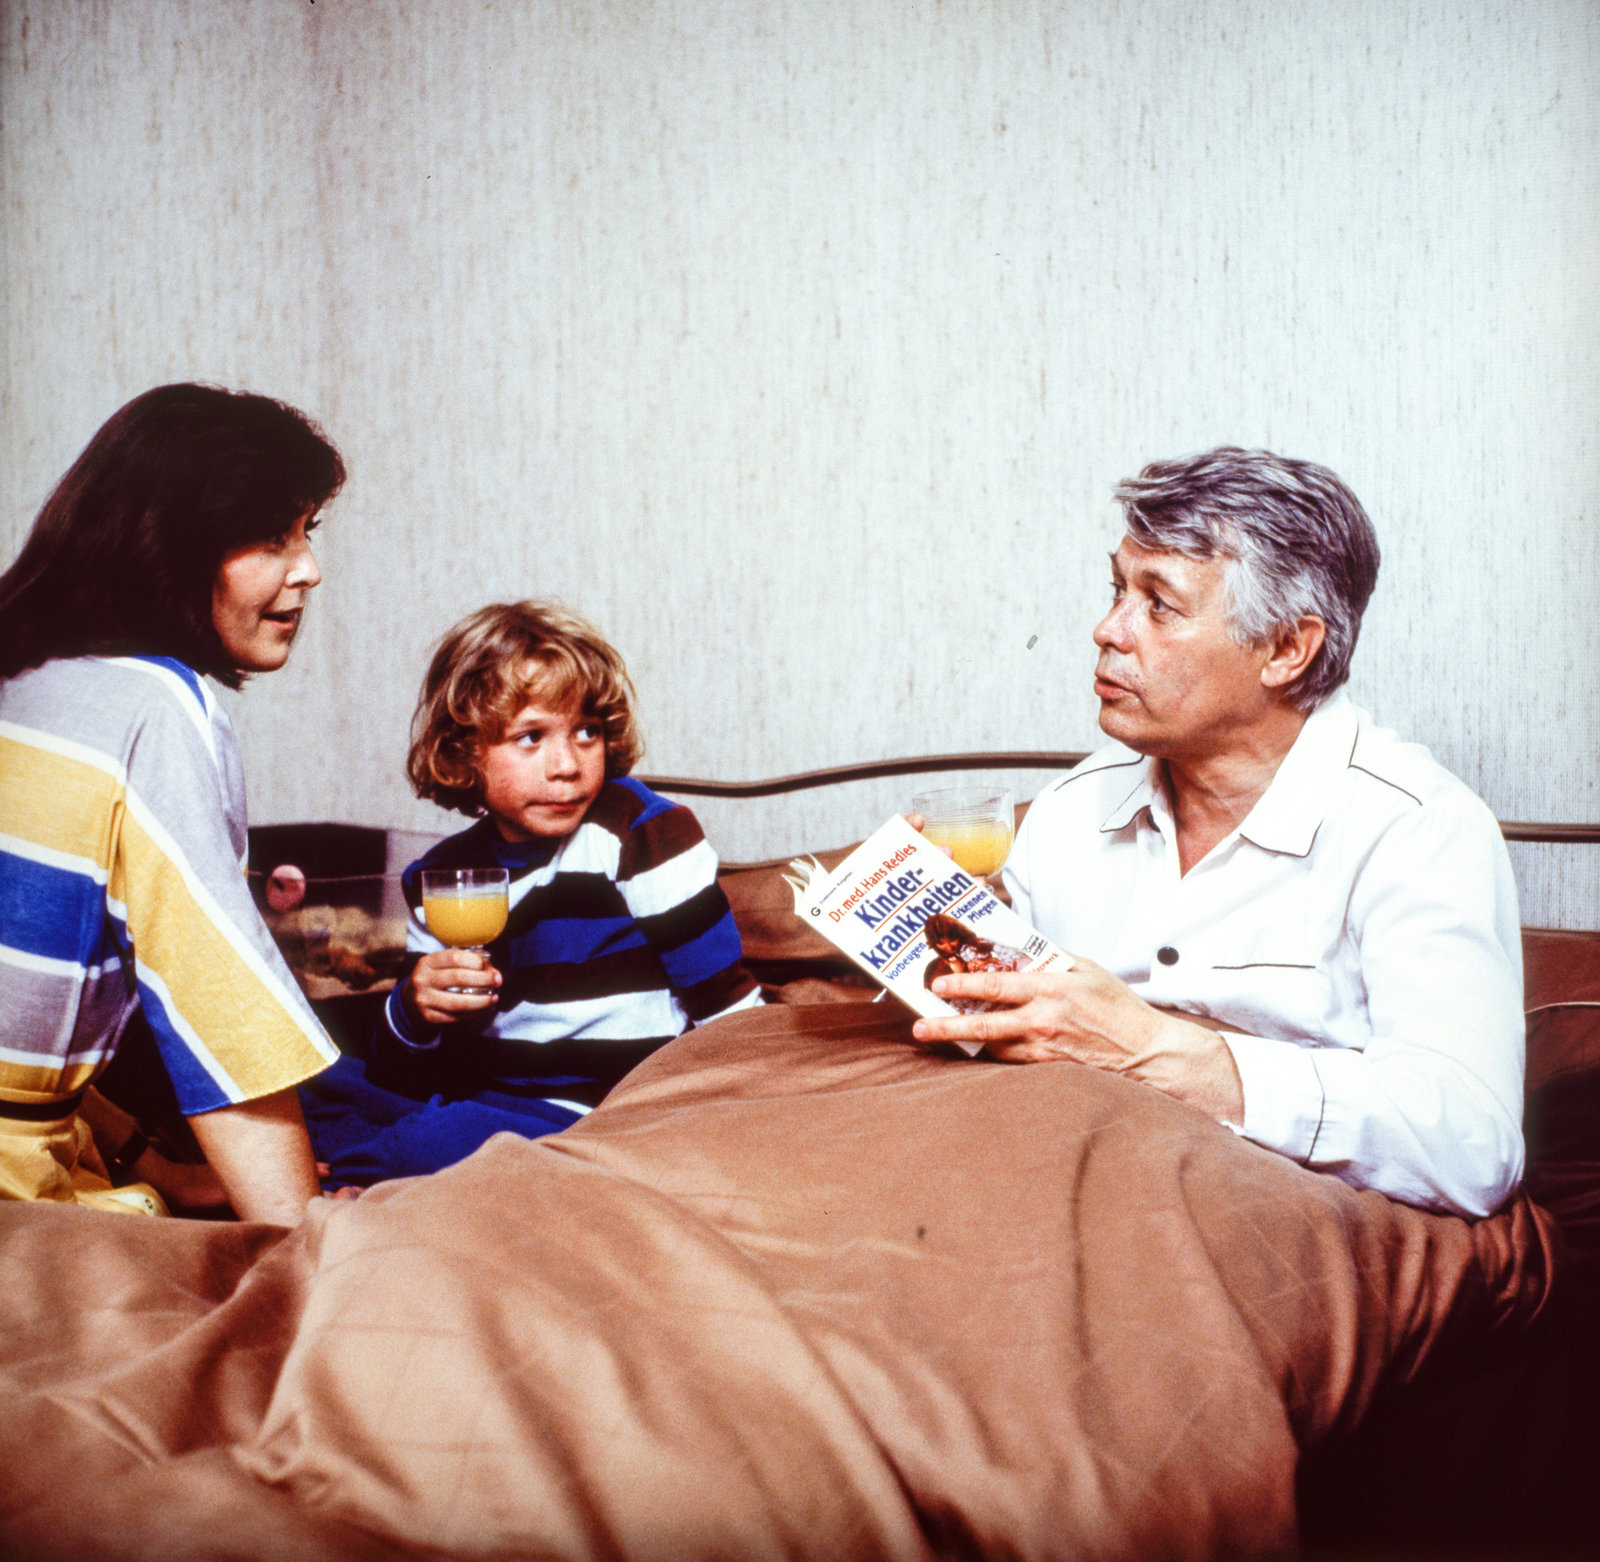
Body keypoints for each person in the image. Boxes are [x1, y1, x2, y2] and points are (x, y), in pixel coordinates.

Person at [912, 447, 1524, 1219]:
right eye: (1118, 589)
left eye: (1159, 605)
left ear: (1286, 649)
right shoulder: (1069, 807)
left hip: (1285, 1221)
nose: (1107, 629)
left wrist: (1159, 1053)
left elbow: (1473, 1145)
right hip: (1060, 1186)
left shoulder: (1418, 829)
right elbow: (1004, 1043)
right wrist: (941, 937)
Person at [0, 382, 348, 1224]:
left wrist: (153, 1163)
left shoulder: (27, 670)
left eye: (308, 530)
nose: (309, 568)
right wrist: (303, 1241)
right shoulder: (155, 705)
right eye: (272, 537)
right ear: (169, 547)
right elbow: (219, 1011)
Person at [300, 601, 761, 1185]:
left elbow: (727, 1008)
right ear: (464, 755)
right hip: (485, 1100)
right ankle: (352, 1155)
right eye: (531, 737)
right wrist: (415, 1009)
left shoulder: (640, 834)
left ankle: (341, 1173)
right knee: (308, 1079)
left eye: (587, 732)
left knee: (437, 1138)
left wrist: (752, 1107)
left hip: (602, 1115)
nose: (566, 765)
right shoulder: (441, 877)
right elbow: (405, 1073)